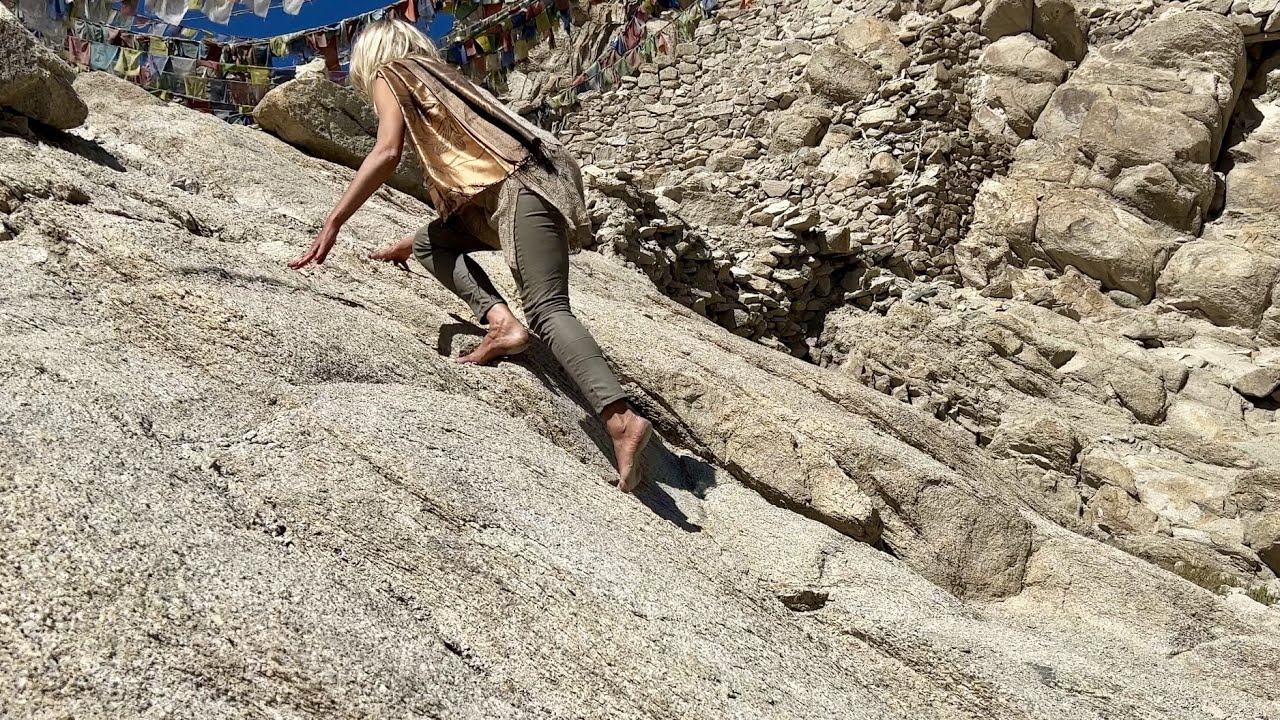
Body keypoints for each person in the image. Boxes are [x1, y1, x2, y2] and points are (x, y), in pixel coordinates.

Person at [289, 18, 654, 492]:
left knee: (547, 308)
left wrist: (334, 221)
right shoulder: (441, 76)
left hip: (519, 187)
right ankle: (502, 325)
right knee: (428, 242)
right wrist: (414, 241)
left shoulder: (392, 73)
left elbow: (386, 151)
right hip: (520, 186)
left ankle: (620, 416)